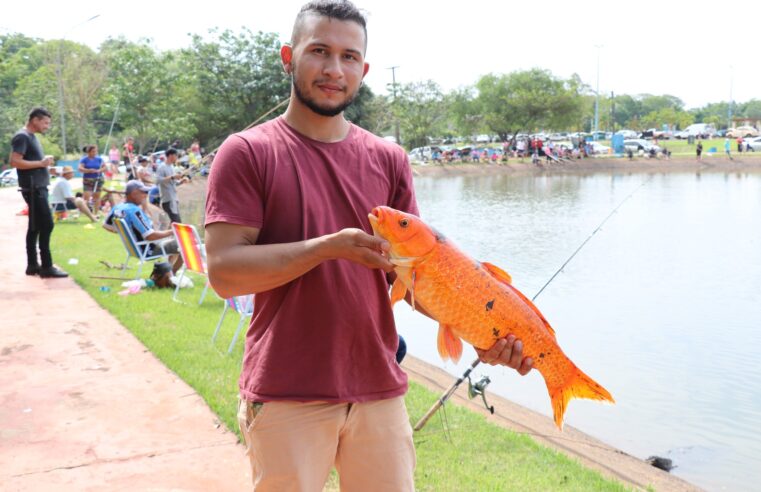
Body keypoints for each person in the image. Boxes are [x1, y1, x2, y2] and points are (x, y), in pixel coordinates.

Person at [203, 2, 533, 489]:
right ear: (288, 56)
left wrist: (485, 333)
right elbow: (224, 272)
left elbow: (419, 280)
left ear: (364, 68)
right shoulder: (248, 152)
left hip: (379, 387)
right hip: (286, 388)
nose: (334, 69)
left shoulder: (388, 159)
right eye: (319, 51)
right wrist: (325, 248)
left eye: (349, 56)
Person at [9, 107, 68, 278]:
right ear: (35, 120)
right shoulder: (22, 136)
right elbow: (15, 162)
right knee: (47, 224)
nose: (47, 126)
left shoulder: (31, 137)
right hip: (33, 188)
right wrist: (41, 164)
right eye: (45, 122)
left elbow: (31, 163)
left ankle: (33, 265)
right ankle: (47, 266)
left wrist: (46, 167)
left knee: (34, 227)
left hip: (38, 186)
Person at [103, 180, 183, 274]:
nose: (146, 195)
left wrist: (123, 231)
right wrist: (173, 231)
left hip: (133, 249)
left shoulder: (118, 208)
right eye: (143, 192)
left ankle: (167, 271)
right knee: (183, 244)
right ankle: (171, 274)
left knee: (173, 242)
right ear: (134, 194)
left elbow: (105, 225)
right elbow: (150, 236)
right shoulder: (134, 211)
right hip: (148, 250)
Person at [156, 148, 189, 224]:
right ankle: (169, 235)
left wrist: (181, 181)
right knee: (177, 222)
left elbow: (173, 183)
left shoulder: (171, 167)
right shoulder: (162, 167)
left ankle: (167, 235)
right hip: (167, 199)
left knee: (174, 222)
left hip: (174, 198)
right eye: (176, 155)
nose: (177, 157)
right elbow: (158, 181)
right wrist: (173, 177)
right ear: (170, 155)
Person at [78, 144, 107, 214]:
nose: (95, 153)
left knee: (97, 197)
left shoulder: (99, 159)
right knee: (86, 197)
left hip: (98, 179)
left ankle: (96, 213)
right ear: (88, 152)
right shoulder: (84, 159)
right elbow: (80, 168)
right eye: (93, 151)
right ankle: (87, 212)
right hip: (87, 180)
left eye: (96, 151)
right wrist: (88, 170)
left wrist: (99, 170)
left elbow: (105, 168)